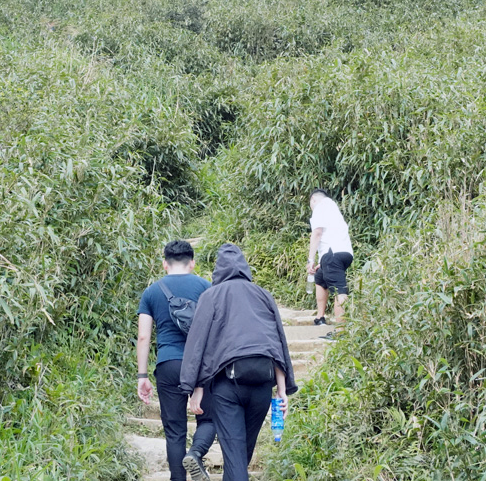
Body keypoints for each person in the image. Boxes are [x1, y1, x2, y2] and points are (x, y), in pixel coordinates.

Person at [180, 244, 297, 481]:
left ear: (218, 269)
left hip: (227, 388)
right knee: (241, 457)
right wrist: (282, 390)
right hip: (263, 386)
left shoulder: (211, 295)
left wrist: (195, 388)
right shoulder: (263, 295)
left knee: (235, 458)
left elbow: (198, 343)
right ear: (245, 267)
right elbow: (276, 342)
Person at [137, 240, 217, 481]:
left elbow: (143, 336)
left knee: (174, 431)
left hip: (168, 364)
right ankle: (195, 453)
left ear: (165, 264)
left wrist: (142, 376)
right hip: (201, 365)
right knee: (210, 418)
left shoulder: (151, 292)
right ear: (192, 263)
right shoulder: (206, 288)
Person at [307, 188, 354, 326]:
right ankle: (320, 317)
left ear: (313, 199)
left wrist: (311, 260)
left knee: (339, 290)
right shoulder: (333, 208)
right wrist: (323, 262)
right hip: (342, 253)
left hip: (332, 254)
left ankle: (341, 331)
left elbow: (317, 233)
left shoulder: (320, 207)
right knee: (320, 277)